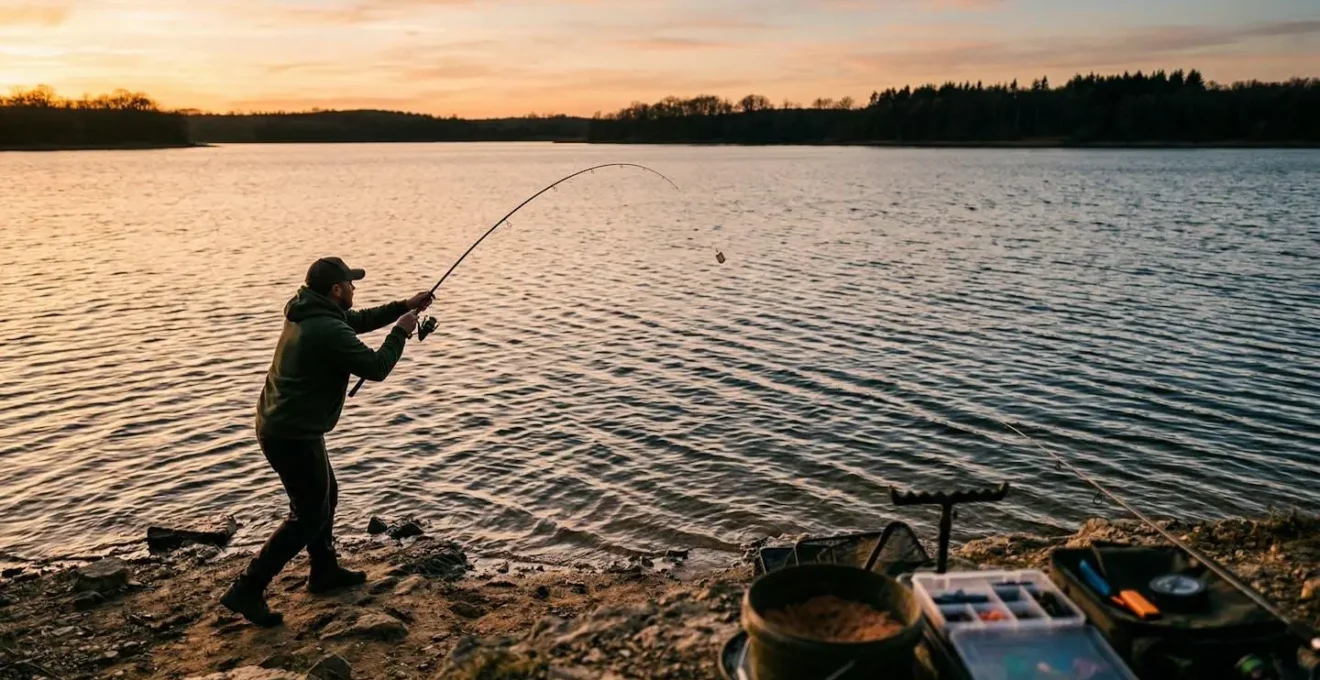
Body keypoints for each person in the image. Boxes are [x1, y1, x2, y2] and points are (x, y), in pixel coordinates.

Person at [220, 256, 434, 626]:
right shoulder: (325, 329)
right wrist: (400, 331)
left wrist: (405, 306)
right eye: (350, 283)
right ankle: (247, 589)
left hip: (286, 424)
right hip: (291, 433)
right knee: (307, 515)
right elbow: (376, 367)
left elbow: (360, 320)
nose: (354, 288)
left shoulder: (312, 311)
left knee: (326, 495)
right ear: (336, 290)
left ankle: (324, 571)